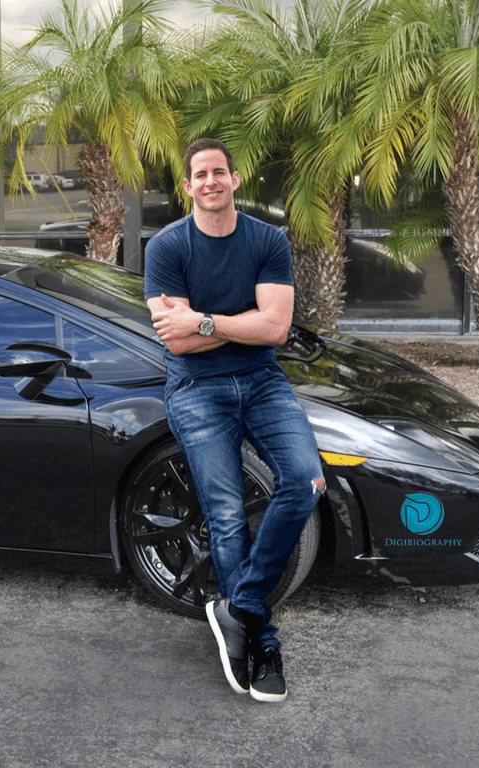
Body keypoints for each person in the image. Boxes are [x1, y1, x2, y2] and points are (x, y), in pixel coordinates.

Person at [143, 137, 325, 703]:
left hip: (263, 380)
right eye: (200, 175)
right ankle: (262, 639)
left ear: (236, 179)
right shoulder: (167, 247)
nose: (211, 181)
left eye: (219, 172)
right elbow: (175, 342)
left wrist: (201, 321)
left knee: (306, 481)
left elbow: (274, 329)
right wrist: (224, 325)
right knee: (225, 514)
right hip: (197, 387)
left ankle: (237, 607)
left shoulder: (267, 240)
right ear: (188, 187)